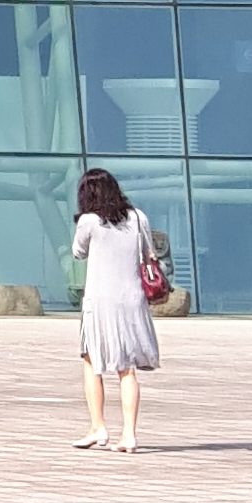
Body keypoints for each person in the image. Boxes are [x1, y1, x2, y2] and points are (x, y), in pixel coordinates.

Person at [73, 164, 157, 452]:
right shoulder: (138, 217)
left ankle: (98, 427)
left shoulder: (89, 221)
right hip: (132, 300)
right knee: (126, 368)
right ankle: (129, 434)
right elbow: (148, 253)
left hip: (99, 301)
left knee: (91, 360)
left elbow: (78, 252)